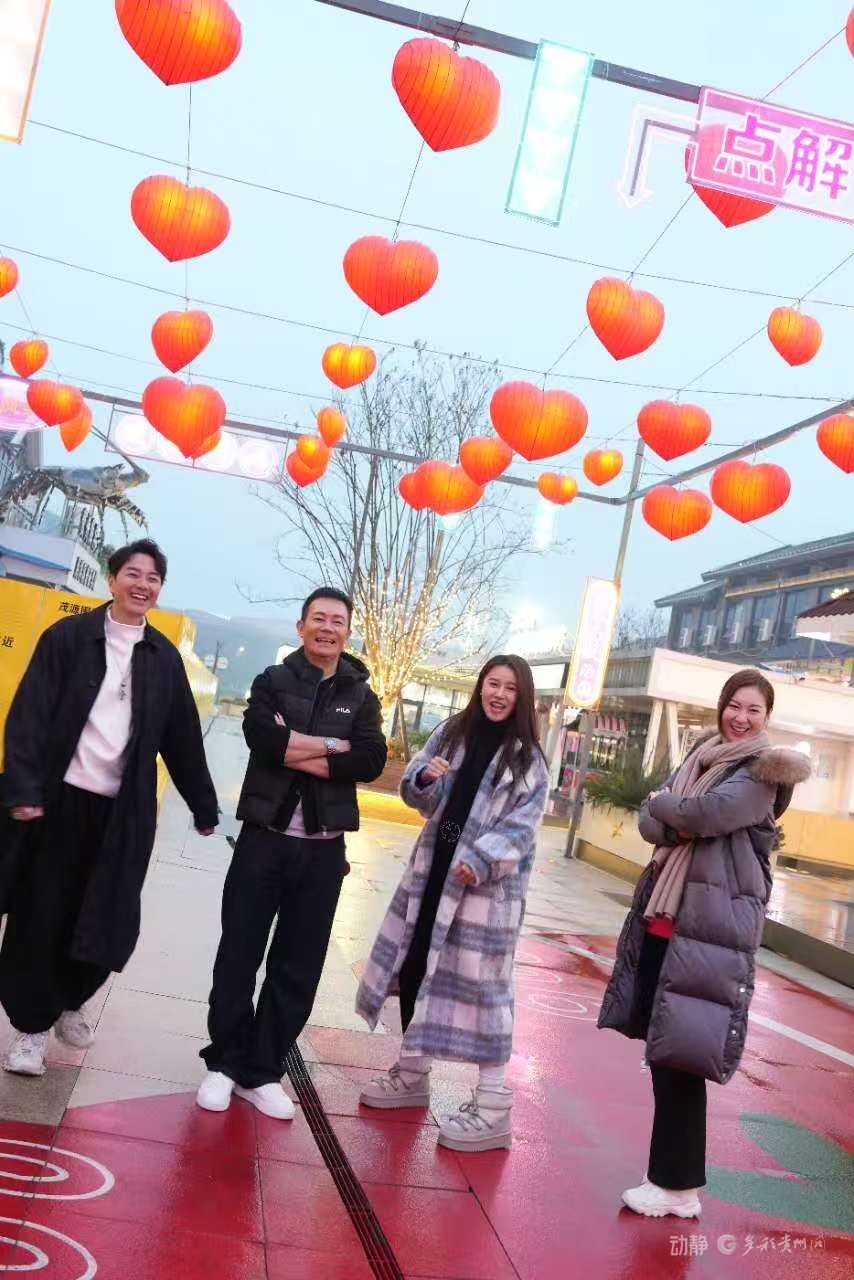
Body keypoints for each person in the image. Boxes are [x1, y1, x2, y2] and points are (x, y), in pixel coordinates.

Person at [0, 539, 219, 1077]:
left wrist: (204, 806)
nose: (143, 585)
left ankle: (71, 1001)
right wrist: (23, 790)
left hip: (122, 815)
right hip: (58, 805)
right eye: (133, 574)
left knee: (109, 917)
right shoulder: (68, 638)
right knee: (42, 915)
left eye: (153, 578)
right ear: (112, 579)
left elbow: (182, 738)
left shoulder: (163, 659)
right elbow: (27, 716)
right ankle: (30, 1030)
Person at [598, 669, 810, 1219]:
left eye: (754, 709)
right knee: (667, 1053)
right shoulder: (701, 756)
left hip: (710, 931)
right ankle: (671, 1179)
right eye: (734, 705)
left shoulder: (762, 771)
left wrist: (667, 805)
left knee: (683, 1056)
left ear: (767, 717)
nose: (741, 717)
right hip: (667, 921)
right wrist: (672, 813)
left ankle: (677, 1186)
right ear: (722, 707)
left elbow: (708, 814)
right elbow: (652, 823)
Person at [197, 586, 387, 1120]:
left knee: (298, 965)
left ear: (347, 632)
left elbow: (370, 759)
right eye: (318, 618)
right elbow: (263, 739)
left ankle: (262, 1071)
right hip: (264, 839)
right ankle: (225, 1062)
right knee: (239, 953)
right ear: (301, 626)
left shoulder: (362, 695)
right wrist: (332, 746)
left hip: (323, 852)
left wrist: (297, 745)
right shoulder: (272, 681)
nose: (328, 628)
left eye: (337, 621)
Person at [356, 655, 549, 1152]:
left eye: (509, 687)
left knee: (484, 992)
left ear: (522, 697)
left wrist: (481, 860)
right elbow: (420, 792)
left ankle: (492, 1104)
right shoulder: (452, 733)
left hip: (483, 894)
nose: (498, 694)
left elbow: (523, 827)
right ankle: (412, 1072)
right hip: (433, 875)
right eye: (492, 683)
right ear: (480, 686)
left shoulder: (527, 758)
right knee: (416, 967)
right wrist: (424, 778)